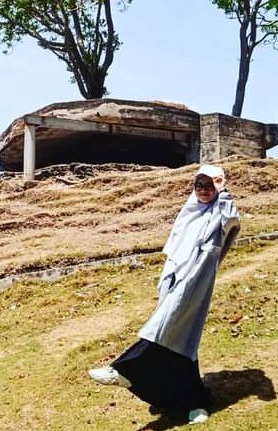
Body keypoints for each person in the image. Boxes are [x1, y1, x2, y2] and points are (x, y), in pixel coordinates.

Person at [88, 164, 240, 424]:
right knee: (182, 340)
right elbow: (176, 246)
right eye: (198, 185)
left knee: (167, 327)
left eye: (209, 186)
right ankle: (195, 402)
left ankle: (123, 369)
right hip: (174, 276)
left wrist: (223, 191)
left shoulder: (221, 210)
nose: (203, 191)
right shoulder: (189, 210)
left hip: (197, 279)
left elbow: (232, 220)